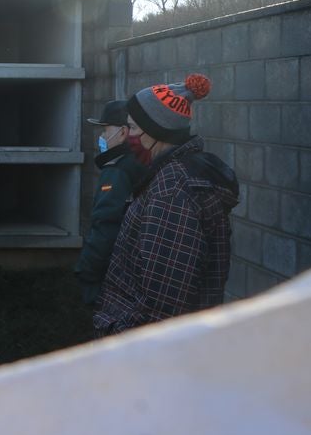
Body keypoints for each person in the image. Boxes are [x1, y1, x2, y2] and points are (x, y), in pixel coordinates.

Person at [93, 73, 239, 337]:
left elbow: (162, 309)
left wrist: (117, 339)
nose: (129, 138)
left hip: (141, 355)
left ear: (156, 133)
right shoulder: (171, 176)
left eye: (134, 129)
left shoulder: (172, 192)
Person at [74, 100, 147, 307]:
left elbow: (106, 224)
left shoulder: (118, 170)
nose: (103, 137)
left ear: (123, 132)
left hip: (113, 273)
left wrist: (87, 270)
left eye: (106, 130)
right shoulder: (140, 161)